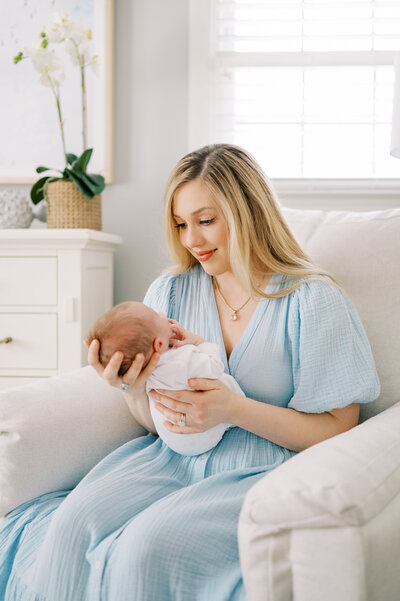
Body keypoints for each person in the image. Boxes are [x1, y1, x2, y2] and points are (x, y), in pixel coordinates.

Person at [0, 144, 380, 601]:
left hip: (258, 472)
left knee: (146, 549)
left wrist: (234, 410)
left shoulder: (311, 300)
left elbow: (339, 429)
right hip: (167, 460)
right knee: (70, 528)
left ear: (248, 212)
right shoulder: (171, 292)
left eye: (205, 221)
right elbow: (154, 421)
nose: (191, 240)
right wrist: (133, 387)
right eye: (181, 224)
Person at [85, 301, 243, 455]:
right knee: (225, 382)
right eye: (156, 315)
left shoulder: (146, 374)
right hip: (207, 436)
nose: (162, 314)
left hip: (175, 442)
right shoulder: (183, 358)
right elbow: (215, 367)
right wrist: (200, 343)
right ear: (159, 345)